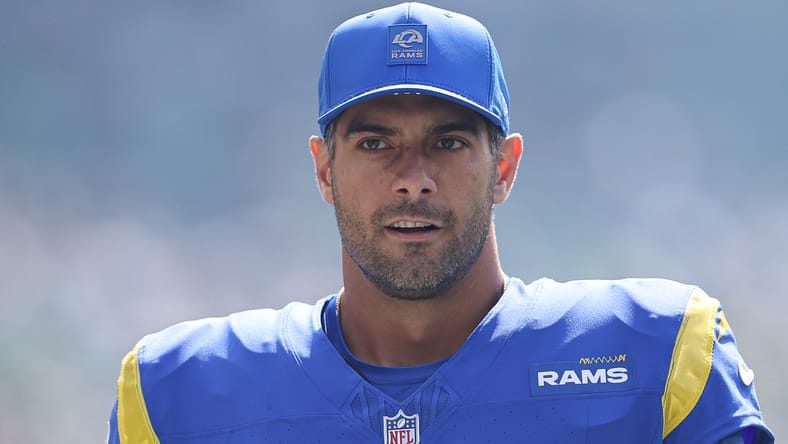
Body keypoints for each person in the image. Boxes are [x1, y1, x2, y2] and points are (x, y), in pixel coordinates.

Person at [108, 2, 774, 443]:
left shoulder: (657, 355)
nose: (413, 177)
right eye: (375, 144)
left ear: (504, 168)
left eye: (448, 143)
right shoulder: (179, 396)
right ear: (323, 169)